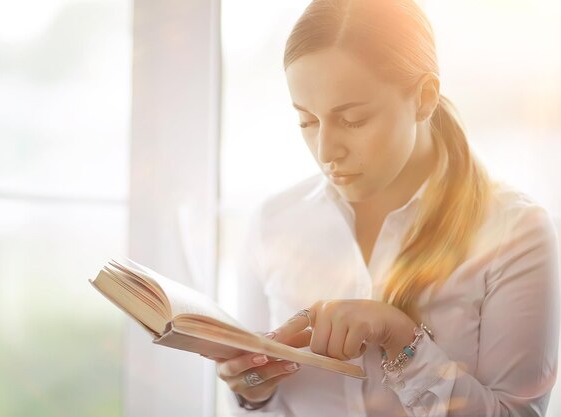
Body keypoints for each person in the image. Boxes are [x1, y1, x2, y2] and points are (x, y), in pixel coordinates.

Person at [208, 0, 560, 415]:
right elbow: (255, 395)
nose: (326, 151)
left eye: (353, 120)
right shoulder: (274, 222)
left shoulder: (515, 233)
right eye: (307, 121)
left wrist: (402, 341)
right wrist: (251, 388)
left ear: (424, 98)